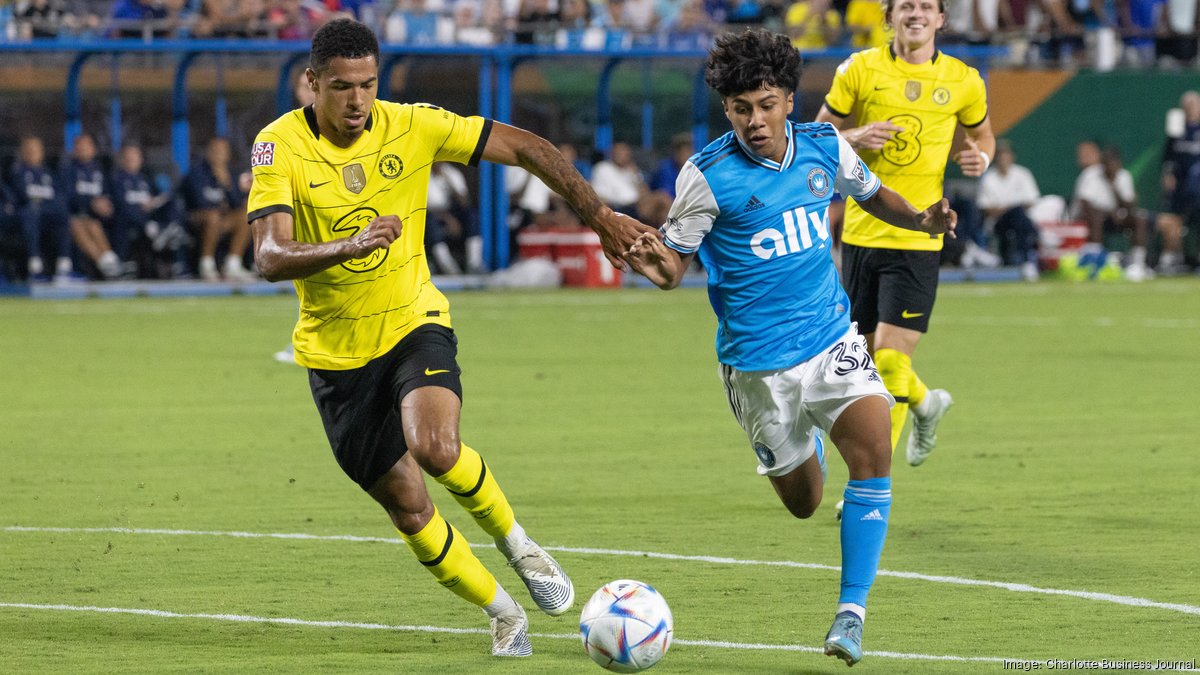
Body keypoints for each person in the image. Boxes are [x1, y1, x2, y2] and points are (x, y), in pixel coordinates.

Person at [246, 18, 649, 657]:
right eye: (343, 87)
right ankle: (503, 611)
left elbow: (527, 148)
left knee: (435, 446)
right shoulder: (279, 146)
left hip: (413, 321)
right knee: (409, 508)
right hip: (334, 356)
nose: (357, 101)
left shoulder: (414, 124)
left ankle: (518, 543)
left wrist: (598, 215)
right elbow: (267, 256)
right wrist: (351, 243)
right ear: (311, 84)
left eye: (369, 85)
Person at [624, 29, 956, 667]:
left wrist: (920, 219)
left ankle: (851, 615)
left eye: (768, 104)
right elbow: (674, 270)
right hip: (756, 367)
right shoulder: (707, 176)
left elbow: (870, 193)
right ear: (726, 109)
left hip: (831, 338)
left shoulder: (825, 147)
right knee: (804, 503)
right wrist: (649, 262)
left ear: (789, 100)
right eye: (742, 108)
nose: (756, 120)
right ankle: (805, 458)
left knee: (875, 446)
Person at [814, 0, 996, 468]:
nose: (916, 13)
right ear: (889, 16)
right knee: (870, 368)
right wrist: (855, 137)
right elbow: (818, 135)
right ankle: (927, 404)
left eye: (926, 7)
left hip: (919, 237)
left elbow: (985, 137)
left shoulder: (964, 80)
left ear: (941, 19)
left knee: (891, 363)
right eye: (906, 6)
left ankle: (873, 483)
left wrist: (983, 158)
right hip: (860, 234)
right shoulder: (859, 69)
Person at [1071, 143, 1153, 281]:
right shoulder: (1090, 175)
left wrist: (1113, 185)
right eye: (1106, 163)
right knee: (1096, 216)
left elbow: (1129, 205)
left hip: (1116, 218)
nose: (1109, 167)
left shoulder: (1124, 176)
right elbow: (1085, 205)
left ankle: (1137, 264)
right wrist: (1110, 213)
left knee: (1139, 219)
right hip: (1090, 219)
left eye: (1112, 163)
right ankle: (1095, 260)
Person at [182, 136, 254, 281]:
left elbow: (236, 203)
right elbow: (199, 202)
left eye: (223, 150)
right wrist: (221, 208)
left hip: (222, 219)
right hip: (199, 219)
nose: (219, 154)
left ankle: (233, 264)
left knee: (246, 213)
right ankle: (206, 265)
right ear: (208, 152)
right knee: (213, 216)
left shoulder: (231, 174)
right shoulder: (197, 172)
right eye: (215, 150)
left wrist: (226, 183)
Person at [8, 135, 74, 282]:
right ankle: (35, 268)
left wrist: (44, 202)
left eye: (36, 149)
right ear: (22, 151)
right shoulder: (16, 171)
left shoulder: (48, 173)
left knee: (64, 216)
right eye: (29, 149)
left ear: (42, 152)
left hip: (47, 216)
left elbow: (58, 197)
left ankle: (64, 268)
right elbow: (22, 196)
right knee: (30, 212)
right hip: (23, 216)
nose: (32, 152)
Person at [976, 139, 1042, 281]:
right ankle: (1027, 261)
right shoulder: (989, 178)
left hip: (1020, 220)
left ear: (1012, 156)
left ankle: (1027, 262)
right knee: (1018, 215)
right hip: (998, 223)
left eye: (1006, 154)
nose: (1003, 158)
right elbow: (986, 208)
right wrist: (1009, 209)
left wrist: (1008, 208)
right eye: (1000, 155)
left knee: (1019, 216)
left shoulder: (1023, 174)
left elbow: (1031, 201)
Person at [61, 132, 123, 280]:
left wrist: (106, 205)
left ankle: (109, 260)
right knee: (78, 225)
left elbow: (109, 194)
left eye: (85, 145)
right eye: (78, 146)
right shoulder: (67, 170)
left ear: (93, 149)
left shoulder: (101, 170)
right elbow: (67, 196)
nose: (82, 148)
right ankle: (107, 265)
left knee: (93, 225)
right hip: (74, 215)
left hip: (98, 217)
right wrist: (90, 203)